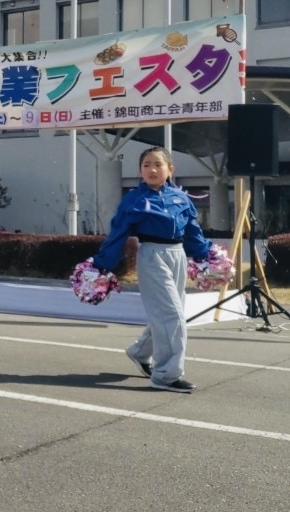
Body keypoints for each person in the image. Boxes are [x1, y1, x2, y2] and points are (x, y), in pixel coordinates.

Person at [91, 146, 209, 394]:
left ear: (170, 169)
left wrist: (205, 256)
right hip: (152, 256)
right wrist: (101, 266)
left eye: (158, 164)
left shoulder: (181, 198)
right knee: (172, 316)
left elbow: (192, 231)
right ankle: (165, 375)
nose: (152, 169)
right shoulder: (134, 200)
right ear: (140, 171)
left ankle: (139, 351)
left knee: (168, 313)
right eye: (146, 165)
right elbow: (117, 235)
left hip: (178, 256)